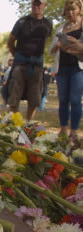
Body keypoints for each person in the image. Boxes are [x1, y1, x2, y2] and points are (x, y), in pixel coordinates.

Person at [6, 0, 52, 120]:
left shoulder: (48, 23)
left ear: (44, 5)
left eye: (39, 4)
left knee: (34, 97)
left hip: (37, 65)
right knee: (14, 97)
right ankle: (15, 125)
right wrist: (18, 57)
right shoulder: (22, 22)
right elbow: (10, 42)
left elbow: (44, 42)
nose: (36, 6)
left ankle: (28, 126)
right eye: (34, 4)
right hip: (20, 64)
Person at [49, 0, 83, 138]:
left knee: (75, 99)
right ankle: (63, 129)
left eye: (73, 9)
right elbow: (51, 50)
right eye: (67, 10)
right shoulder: (60, 28)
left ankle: (73, 131)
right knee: (63, 100)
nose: (70, 13)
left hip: (78, 68)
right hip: (62, 68)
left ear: (79, 9)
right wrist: (58, 45)